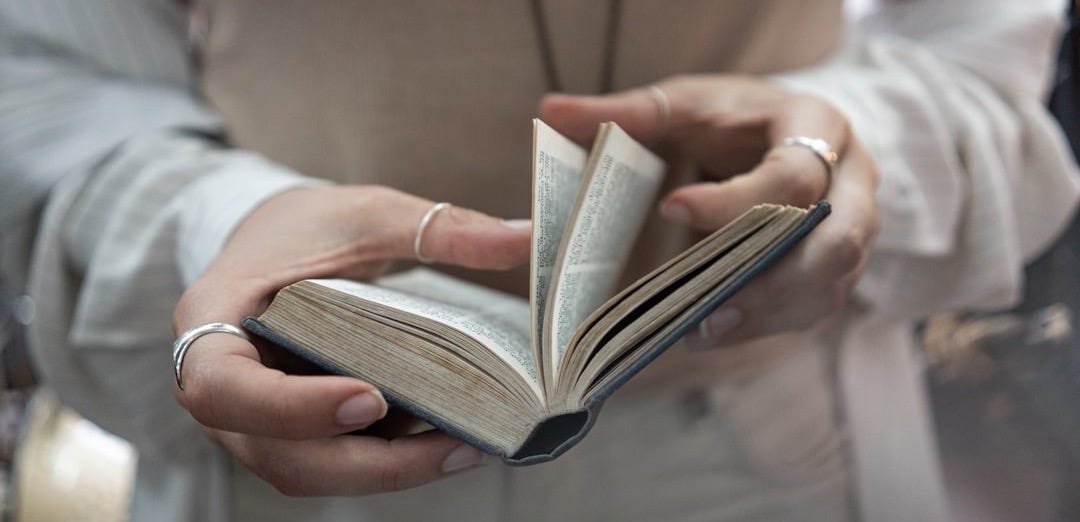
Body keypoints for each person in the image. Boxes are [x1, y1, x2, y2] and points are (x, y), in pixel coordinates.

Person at [1, 0, 1077, 520]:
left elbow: (973, 47)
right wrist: (226, 218)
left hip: (754, 450)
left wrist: (841, 145)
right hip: (304, 450)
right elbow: (46, 79)